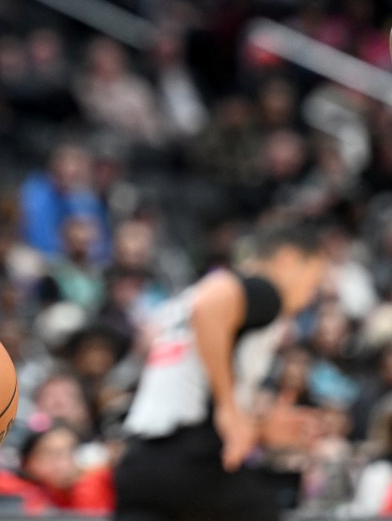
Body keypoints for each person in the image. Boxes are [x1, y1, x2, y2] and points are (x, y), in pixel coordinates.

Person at [114, 222, 328, 521]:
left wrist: (259, 429)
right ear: (289, 259)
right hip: (190, 463)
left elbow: (194, 393)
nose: (309, 297)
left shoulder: (191, 303)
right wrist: (229, 408)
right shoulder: (264, 290)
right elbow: (214, 300)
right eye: (312, 281)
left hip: (139, 467)